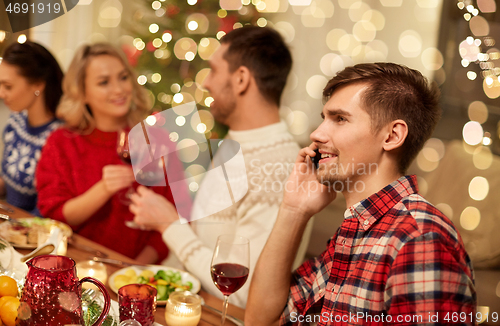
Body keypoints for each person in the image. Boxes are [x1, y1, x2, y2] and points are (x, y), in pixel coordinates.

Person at [246, 63, 476, 325]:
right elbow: (260, 320)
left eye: (340, 119)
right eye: (324, 118)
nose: (316, 134)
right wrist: (293, 210)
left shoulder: (419, 239)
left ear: (392, 135)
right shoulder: (355, 230)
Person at [130, 26, 304, 307]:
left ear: (241, 79)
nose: (206, 83)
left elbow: (242, 292)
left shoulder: (278, 166)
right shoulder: (237, 141)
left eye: (213, 70)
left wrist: (169, 225)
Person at [36, 43, 172, 264]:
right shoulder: (61, 143)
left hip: (132, 275)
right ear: (82, 92)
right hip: (73, 265)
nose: (119, 90)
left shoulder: (156, 140)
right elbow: (54, 215)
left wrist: (133, 271)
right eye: (104, 82)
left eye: (123, 77)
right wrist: (103, 189)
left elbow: (169, 224)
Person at [0, 41, 63, 215]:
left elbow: (48, 209)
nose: (1, 93)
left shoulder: (58, 137)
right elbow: (8, 180)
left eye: (8, 86)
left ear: (38, 85)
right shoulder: (16, 121)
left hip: (30, 232)